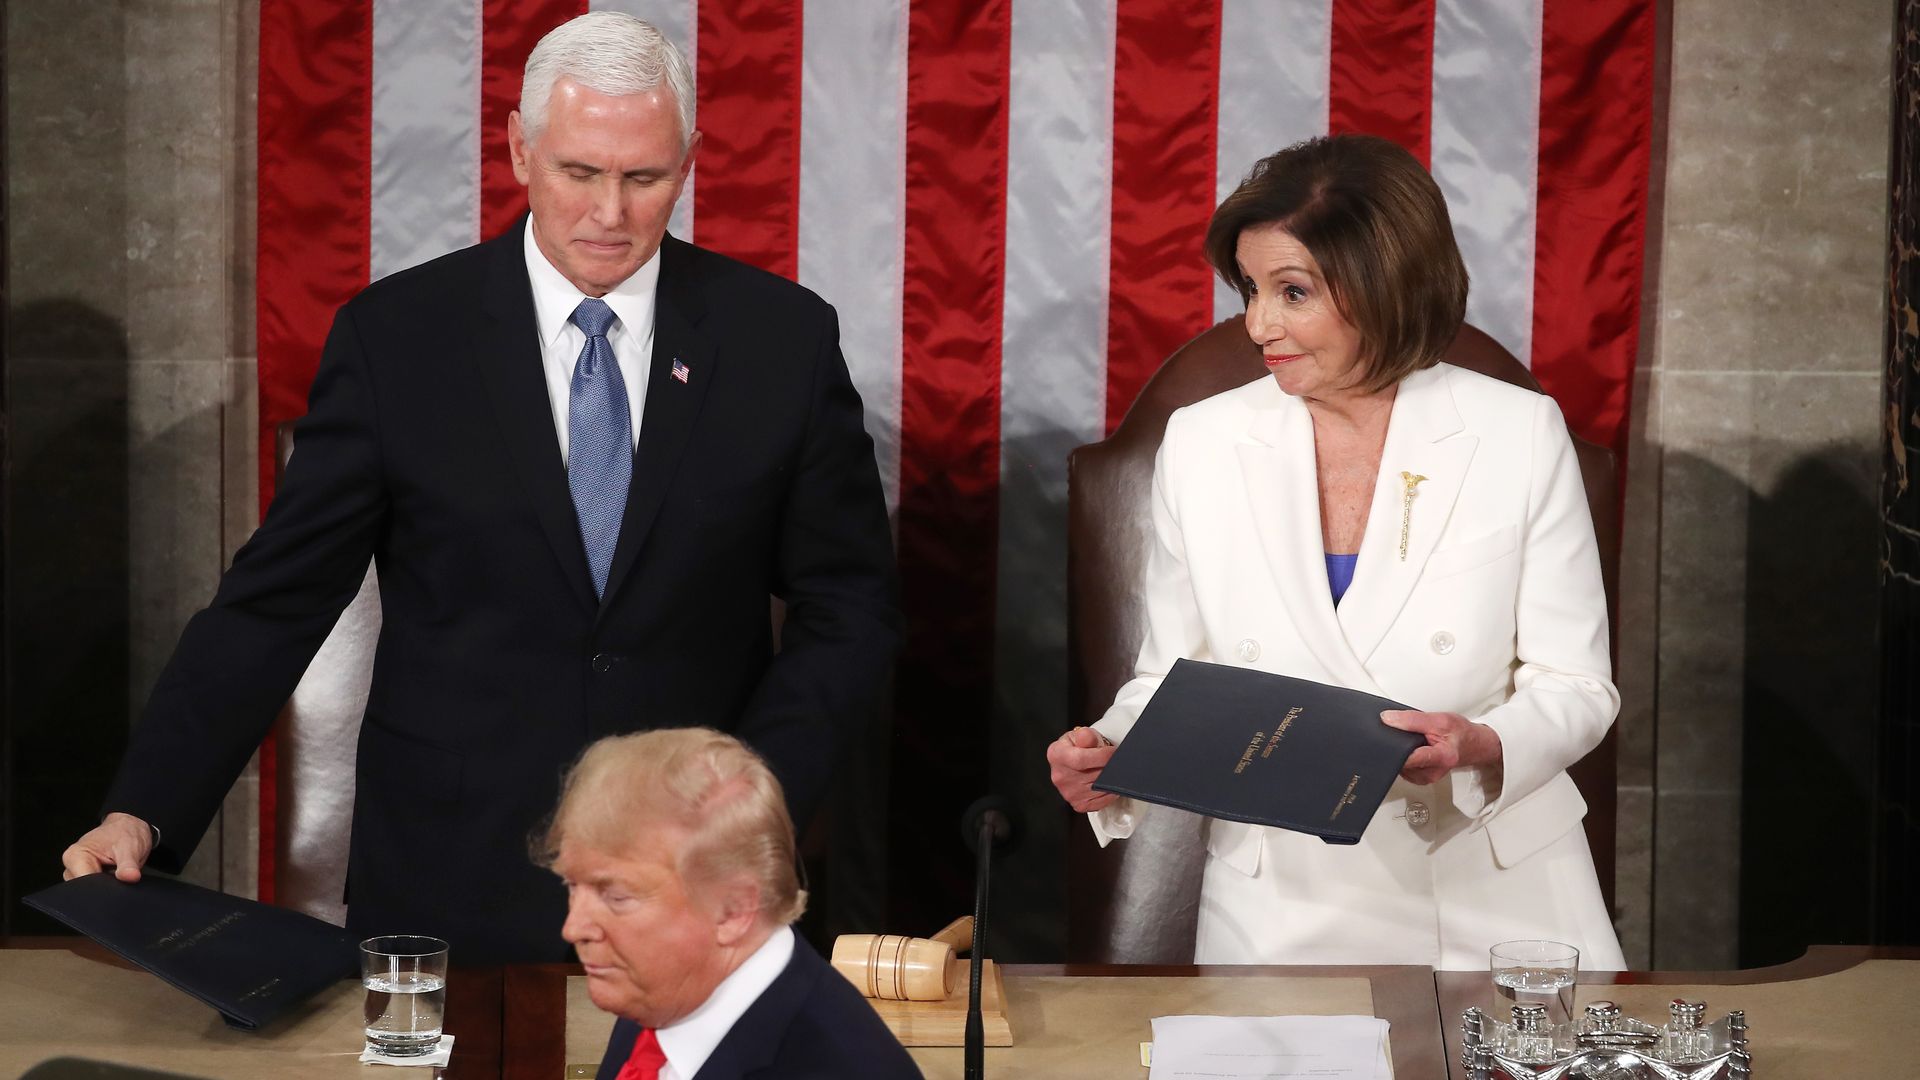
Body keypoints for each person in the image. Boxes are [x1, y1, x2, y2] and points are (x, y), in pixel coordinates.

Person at [59, 12, 899, 962]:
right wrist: (145, 809)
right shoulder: (399, 339)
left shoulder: (779, 342)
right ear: (517, 147)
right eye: (580, 172)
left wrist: (755, 796)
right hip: (448, 884)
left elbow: (850, 606)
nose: (609, 214)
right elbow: (274, 603)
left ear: (692, 160)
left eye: (644, 177)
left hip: (698, 884)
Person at [1047, 134, 1626, 970]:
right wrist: (1113, 752)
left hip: (1495, 897)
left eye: (1293, 292)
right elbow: (1173, 678)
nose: (1257, 325)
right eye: (1251, 290)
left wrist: (1481, 743)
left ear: (1385, 282)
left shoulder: (1517, 432)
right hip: (1281, 901)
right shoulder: (1203, 442)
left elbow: (1577, 686)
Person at [544, 728, 924, 1080]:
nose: (573, 928)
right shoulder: (661, 993)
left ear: (733, 911)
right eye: (572, 886)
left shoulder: (841, 1067)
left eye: (616, 897)